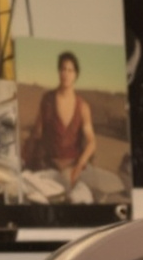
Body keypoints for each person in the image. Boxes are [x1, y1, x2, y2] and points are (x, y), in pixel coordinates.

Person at [26, 49, 119, 204]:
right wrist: (27, 154)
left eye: (70, 70)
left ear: (76, 74)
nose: (66, 74)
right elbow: (37, 132)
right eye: (63, 69)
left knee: (81, 198)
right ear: (59, 72)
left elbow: (91, 142)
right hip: (49, 166)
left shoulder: (83, 107)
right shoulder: (47, 100)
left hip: (75, 168)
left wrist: (78, 167)